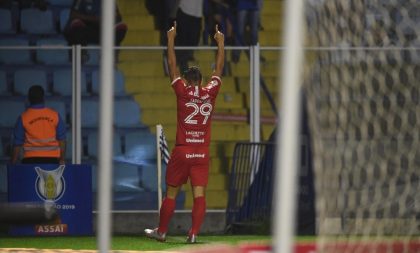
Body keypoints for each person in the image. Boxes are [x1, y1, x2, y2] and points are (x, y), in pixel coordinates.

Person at [144, 21, 224, 243]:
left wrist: (170, 39)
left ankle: (161, 232)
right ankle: (194, 233)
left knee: (171, 193)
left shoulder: (182, 92)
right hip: (201, 153)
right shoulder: (211, 92)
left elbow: (172, 65)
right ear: (202, 80)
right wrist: (221, 43)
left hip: (182, 151)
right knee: (200, 194)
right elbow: (219, 69)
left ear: (188, 80)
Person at [11, 85, 66, 164]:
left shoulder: (23, 117)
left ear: (29, 98)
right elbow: (62, 140)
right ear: (43, 98)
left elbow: (17, 143)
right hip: (52, 160)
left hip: (30, 160)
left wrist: (13, 163)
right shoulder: (55, 115)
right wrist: (62, 159)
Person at [63, 0, 127, 46]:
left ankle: (110, 58)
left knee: (119, 31)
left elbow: (118, 18)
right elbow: (73, 14)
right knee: (78, 30)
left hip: (102, 30)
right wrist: (94, 19)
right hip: (86, 28)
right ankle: (80, 57)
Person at [175, 0, 204, 72]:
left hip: (197, 15)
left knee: (194, 40)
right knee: (183, 41)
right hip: (184, 12)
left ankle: (187, 57)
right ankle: (183, 64)